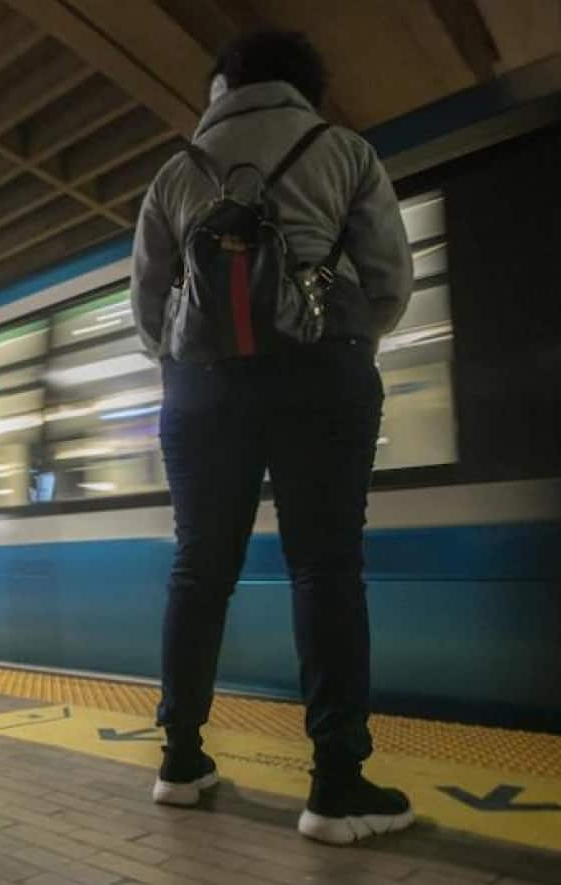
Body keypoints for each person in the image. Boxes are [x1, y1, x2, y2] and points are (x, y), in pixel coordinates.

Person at [131, 30, 415, 844]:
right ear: (306, 86)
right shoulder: (343, 150)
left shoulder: (174, 171)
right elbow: (390, 280)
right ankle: (335, 787)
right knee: (324, 566)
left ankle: (180, 762)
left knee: (199, 566)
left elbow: (147, 314)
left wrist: (195, 362)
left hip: (199, 393)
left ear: (223, 86)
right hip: (322, 377)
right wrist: (340, 339)